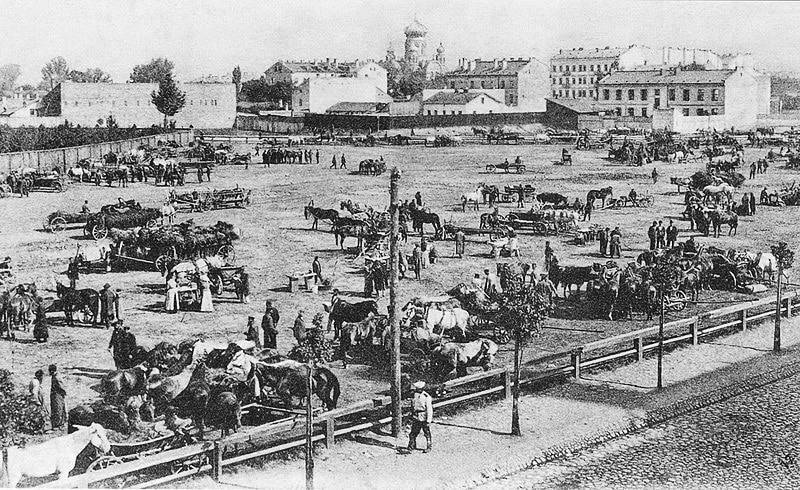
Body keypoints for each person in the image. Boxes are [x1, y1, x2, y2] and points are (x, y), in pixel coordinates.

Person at [407, 381, 433, 453]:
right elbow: (413, 405)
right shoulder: (415, 395)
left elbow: (429, 409)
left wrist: (428, 420)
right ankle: (412, 446)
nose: (416, 389)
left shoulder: (426, 397)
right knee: (413, 433)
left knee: (426, 433)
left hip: (423, 416)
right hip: (416, 416)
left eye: (418, 388)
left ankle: (429, 447)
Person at [49, 364, 66, 431]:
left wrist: (63, 392)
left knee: (58, 409)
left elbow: (61, 386)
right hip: (55, 395)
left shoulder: (56, 377)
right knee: (56, 408)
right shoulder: (55, 376)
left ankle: (58, 424)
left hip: (57, 395)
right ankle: (58, 423)